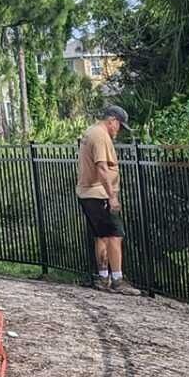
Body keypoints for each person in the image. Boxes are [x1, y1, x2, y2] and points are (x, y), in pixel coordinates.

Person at [76, 104, 128, 290]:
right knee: (115, 235)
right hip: (99, 194)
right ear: (111, 120)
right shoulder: (100, 136)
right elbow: (102, 167)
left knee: (101, 235)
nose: (118, 130)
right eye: (119, 125)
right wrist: (112, 196)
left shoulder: (91, 132)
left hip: (88, 193)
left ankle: (103, 276)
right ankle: (117, 280)